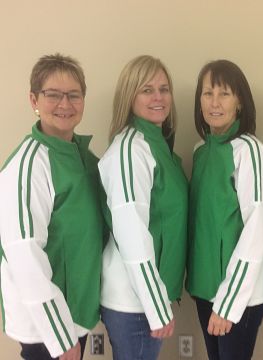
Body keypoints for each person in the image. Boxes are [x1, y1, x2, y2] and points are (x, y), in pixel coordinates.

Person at [0, 54, 105, 360]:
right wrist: (59, 336)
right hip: (48, 328)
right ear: (34, 99)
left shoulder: (83, 158)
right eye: (53, 94)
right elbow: (24, 254)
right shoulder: (28, 165)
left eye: (74, 95)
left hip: (76, 313)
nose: (65, 104)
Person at [98, 55, 188, 360]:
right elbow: (133, 235)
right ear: (129, 96)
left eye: (164, 88)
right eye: (146, 89)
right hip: (134, 303)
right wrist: (156, 308)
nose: (158, 97)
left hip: (146, 299)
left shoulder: (155, 144)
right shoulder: (130, 150)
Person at [186, 59, 263, 360]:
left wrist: (229, 303)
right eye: (207, 93)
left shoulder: (249, 151)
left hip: (238, 297)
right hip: (206, 289)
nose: (214, 102)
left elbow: (257, 229)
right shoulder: (200, 151)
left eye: (224, 93)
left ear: (240, 102)